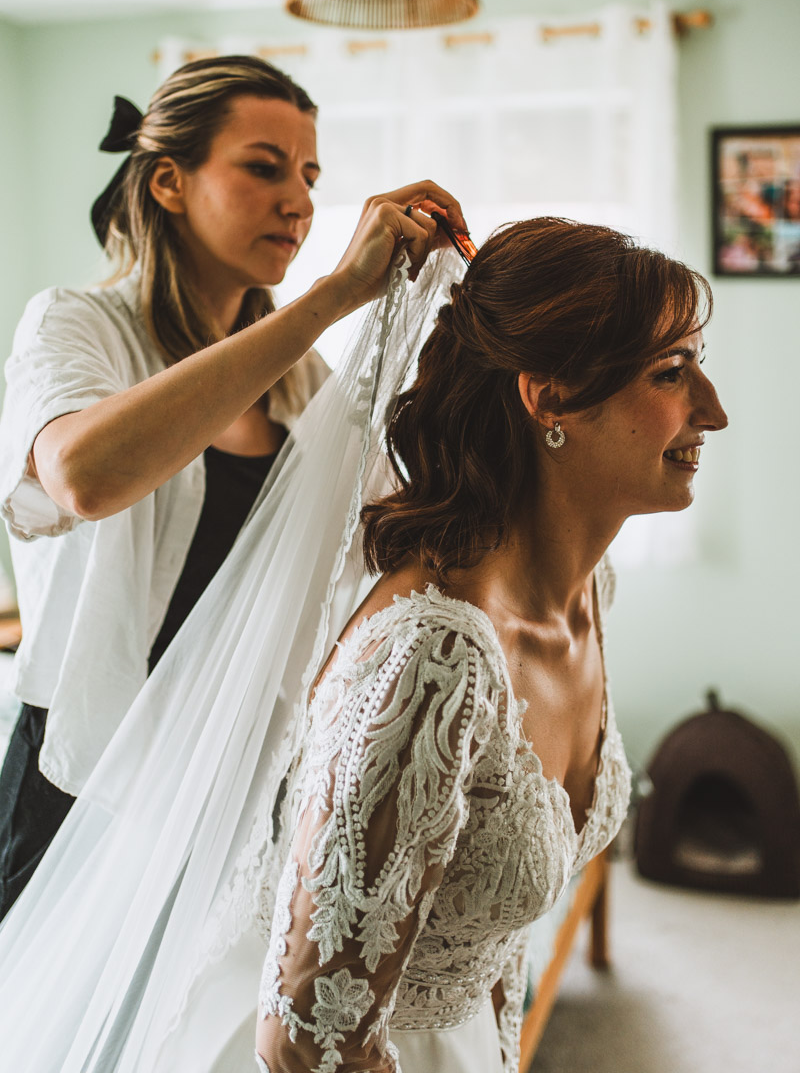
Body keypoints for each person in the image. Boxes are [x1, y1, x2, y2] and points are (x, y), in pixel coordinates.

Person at [0, 217, 728, 1073]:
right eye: (672, 373)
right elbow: (305, 1041)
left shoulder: (589, 596)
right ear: (550, 399)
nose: (713, 410)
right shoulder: (430, 656)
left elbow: (490, 942)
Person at [0, 53, 465, 919]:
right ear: (170, 183)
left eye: (310, 175)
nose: (299, 201)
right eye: (263, 167)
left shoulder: (302, 381)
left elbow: (386, 534)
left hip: (227, 761)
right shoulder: (74, 324)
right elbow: (81, 477)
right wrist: (331, 296)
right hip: (85, 762)